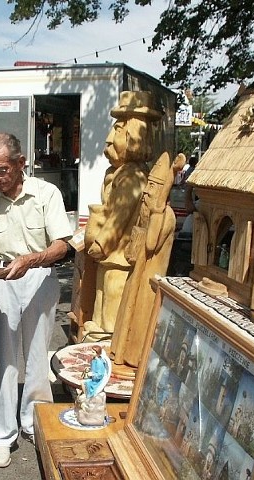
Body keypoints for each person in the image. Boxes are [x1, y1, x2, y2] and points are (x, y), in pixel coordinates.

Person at [0, 132, 72, 468]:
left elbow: (62, 246)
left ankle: (34, 422)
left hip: (38, 276)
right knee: (7, 360)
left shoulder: (46, 194)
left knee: (37, 360)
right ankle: (2, 434)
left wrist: (30, 260)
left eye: (2, 170)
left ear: (21, 163)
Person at [82, 91, 162, 337]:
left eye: (117, 131)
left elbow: (119, 217)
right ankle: (99, 329)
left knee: (114, 297)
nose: (108, 140)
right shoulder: (119, 173)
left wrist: (101, 242)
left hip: (118, 255)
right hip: (109, 257)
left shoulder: (132, 177)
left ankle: (107, 337)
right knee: (101, 295)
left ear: (134, 138)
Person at [110, 152, 184, 368]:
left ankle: (134, 356)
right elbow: (135, 245)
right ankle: (119, 350)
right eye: (147, 185)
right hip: (136, 273)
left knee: (141, 317)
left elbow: (151, 243)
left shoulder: (166, 215)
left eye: (152, 187)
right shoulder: (147, 213)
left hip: (150, 278)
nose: (146, 191)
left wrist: (157, 210)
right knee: (126, 313)